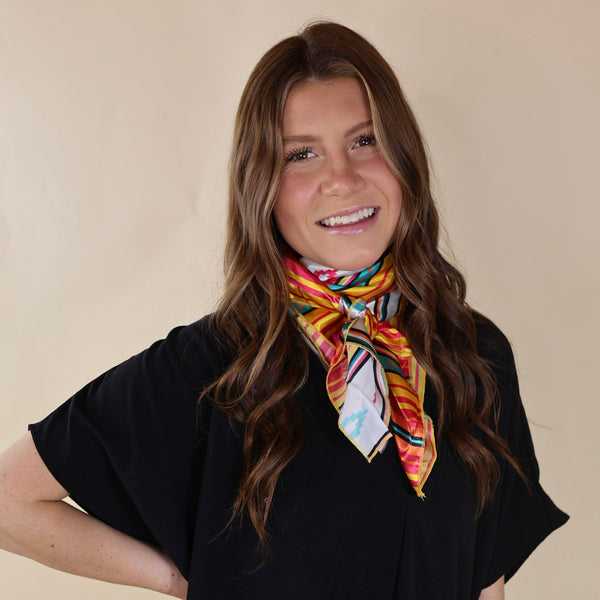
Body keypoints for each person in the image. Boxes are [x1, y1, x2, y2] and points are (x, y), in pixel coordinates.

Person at [0, 21, 567, 600]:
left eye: (364, 141)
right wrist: (188, 577)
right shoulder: (214, 367)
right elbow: (8, 501)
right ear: (262, 186)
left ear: (404, 159)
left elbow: (483, 581)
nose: (340, 179)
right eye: (301, 154)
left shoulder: (475, 354)